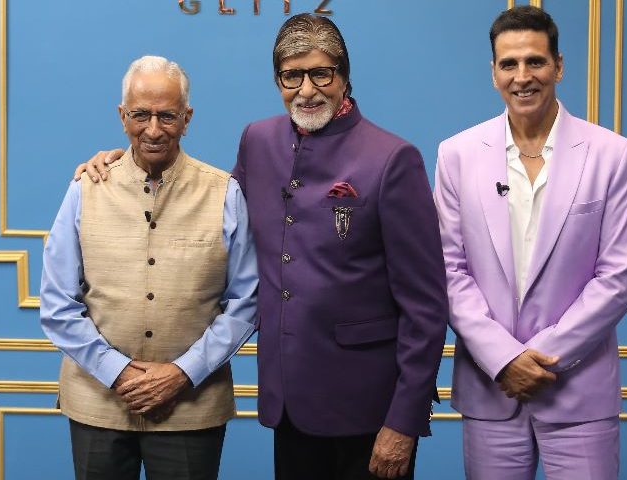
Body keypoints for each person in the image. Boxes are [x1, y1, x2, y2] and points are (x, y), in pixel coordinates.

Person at [76, 14, 447, 480]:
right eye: (292, 76)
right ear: (278, 81)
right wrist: (126, 162)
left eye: (321, 73)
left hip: (369, 409)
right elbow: (205, 203)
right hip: (288, 401)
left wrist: (404, 422)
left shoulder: (392, 158)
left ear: (344, 77)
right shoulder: (258, 140)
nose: (306, 90)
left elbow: (426, 306)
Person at [434, 6, 627, 479]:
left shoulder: (612, 154)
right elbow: (448, 270)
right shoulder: (456, 155)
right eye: (509, 64)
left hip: (580, 391)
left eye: (535, 61)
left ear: (559, 66)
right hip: (492, 389)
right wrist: (504, 359)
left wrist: (540, 358)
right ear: (493, 73)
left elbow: (619, 277)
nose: (522, 76)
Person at [41, 55, 258, 480]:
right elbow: (57, 304)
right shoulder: (85, 189)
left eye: (167, 116)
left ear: (187, 118)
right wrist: (117, 372)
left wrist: (182, 373)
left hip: (191, 406)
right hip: (97, 404)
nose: (154, 130)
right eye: (141, 115)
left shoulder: (224, 193)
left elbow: (246, 302)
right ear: (122, 116)